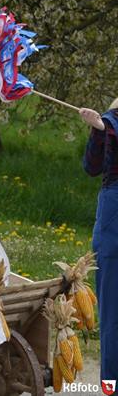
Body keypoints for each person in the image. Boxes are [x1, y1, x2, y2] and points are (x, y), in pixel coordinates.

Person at [78, 103, 117, 382]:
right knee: (112, 315)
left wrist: (105, 127)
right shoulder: (111, 119)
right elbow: (91, 167)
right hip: (113, 223)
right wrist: (100, 130)